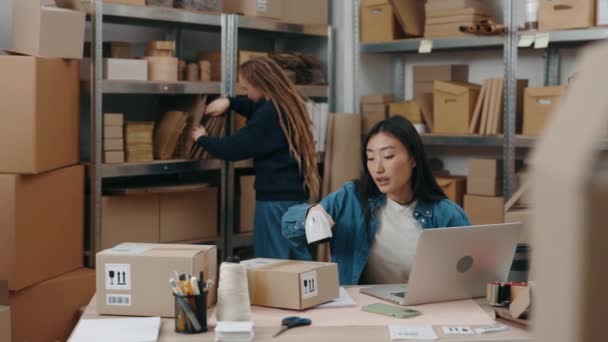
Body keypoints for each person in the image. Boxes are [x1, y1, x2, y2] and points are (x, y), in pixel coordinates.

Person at [282, 116, 470, 285]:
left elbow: (469, 271)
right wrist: (311, 214)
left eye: (388, 156)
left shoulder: (445, 214)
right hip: (359, 311)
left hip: (420, 311)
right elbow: (290, 229)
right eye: (370, 158)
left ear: (413, 159)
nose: (377, 168)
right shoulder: (352, 198)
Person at [192, 57, 320, 260]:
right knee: (298, 260)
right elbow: (255, 107)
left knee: (272, 262)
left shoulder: (268, 115)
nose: (246, 94)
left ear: (260, 85)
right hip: (295, 199)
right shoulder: (287, 104)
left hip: (274, 203)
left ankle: (279, 294)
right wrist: (230, 102)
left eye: (247, 88)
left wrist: (202, 138)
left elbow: (234, 148)